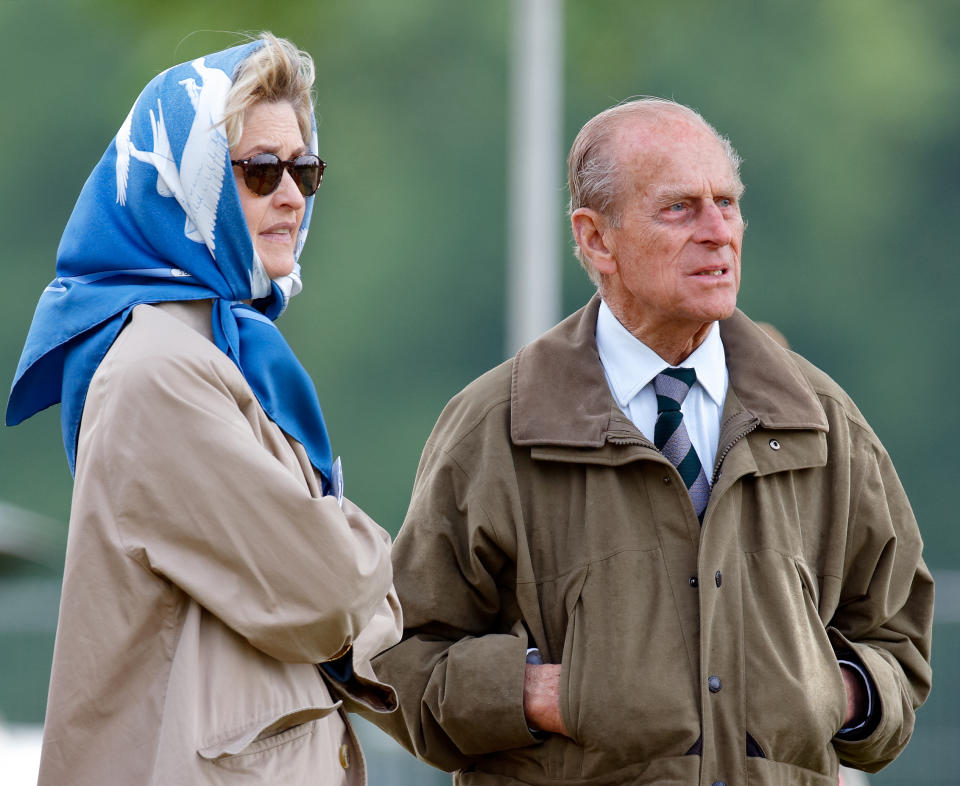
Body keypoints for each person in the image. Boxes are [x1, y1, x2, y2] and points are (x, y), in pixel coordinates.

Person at [369, 98, 933, 785]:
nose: (718, 232)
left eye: (727, 203)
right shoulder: (496, 426)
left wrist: (831, 692)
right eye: (680, 208)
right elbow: (398, 657)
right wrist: (538, 695)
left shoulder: (821, 419)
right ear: (596, 239)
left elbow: (899, 642)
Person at [6, 33, 401, 785]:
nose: (290, 194)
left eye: (304, 169)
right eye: (258, 171)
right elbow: (327, 596)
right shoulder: (159, 370)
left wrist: (352, 589)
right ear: (183, 181)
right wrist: (365, 555)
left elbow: (330, 605)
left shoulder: (217, 355)